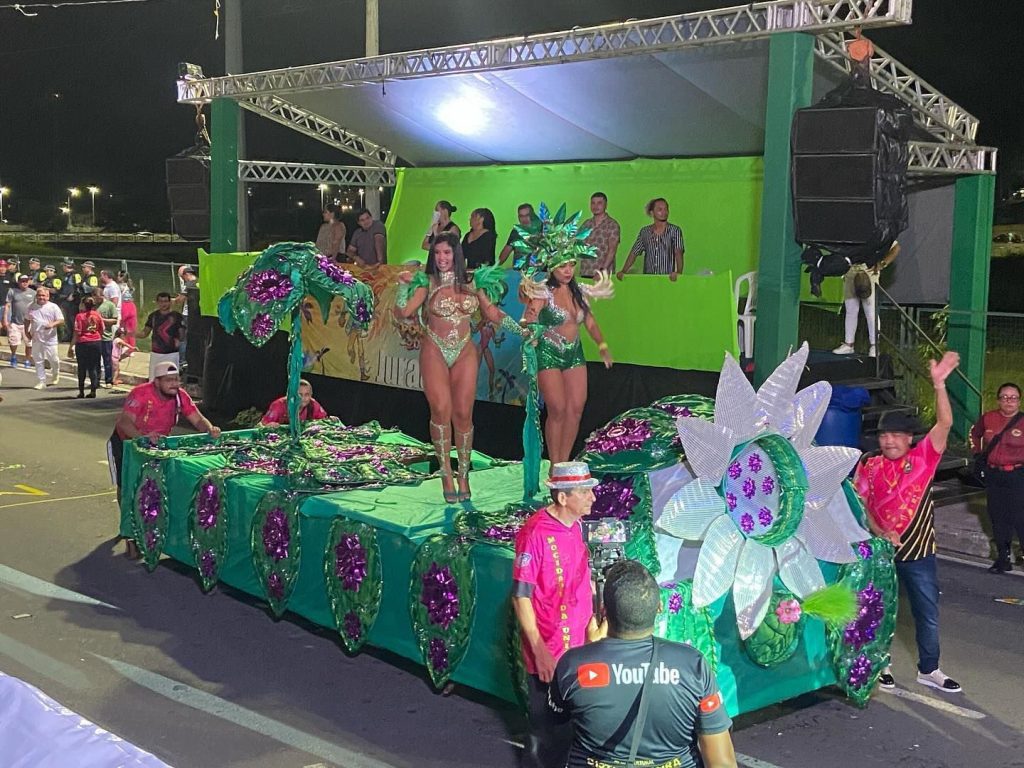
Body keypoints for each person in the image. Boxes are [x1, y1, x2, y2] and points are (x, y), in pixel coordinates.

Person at [550, 559, 737, 768]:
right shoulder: (693, 665)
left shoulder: (572, 665)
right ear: (659, 607)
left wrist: (590, 651)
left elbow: (553, 735)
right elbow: (722, 763)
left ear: (603, 610)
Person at [854, 350, 963, 693]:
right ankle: (881, 665)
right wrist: (879, 531)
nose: (889, 440)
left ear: (909, 438)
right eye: (884, 435)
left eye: (896, 434)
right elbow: (860, 504)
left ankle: (929, 669)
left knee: (927, 613)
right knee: (879, 610)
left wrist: (939, 385)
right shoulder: (869, 464)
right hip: (881, 551)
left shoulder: (923, 459)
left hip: (920, 553)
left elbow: (944, 424)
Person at [393, 231, 523, 502]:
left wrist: (523, 331)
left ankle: (463, 474)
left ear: (456, 255)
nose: (442, 258)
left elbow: (492, 313)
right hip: (435, 350)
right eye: (437, 253)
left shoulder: (472, 283)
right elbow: (403, 312)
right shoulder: (427, 282)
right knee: (441, 410)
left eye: (447, 252)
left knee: (463, 414)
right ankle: (445, 474)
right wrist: (403, 288)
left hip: (464, 350)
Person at [513, 462, 599, 768]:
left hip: (579, 647)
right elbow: (521, 596)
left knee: (575, 726)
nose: (592, 497)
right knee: (545, 731)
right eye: (584, 492)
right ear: (563, 497)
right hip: (549, 650)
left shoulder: (577, 525)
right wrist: (540, 651)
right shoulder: (534, 533)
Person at [110, 360, 221, 558]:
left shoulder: (180, 396)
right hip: (128, 443)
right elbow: (125, 423)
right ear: (157, 382)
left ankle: (150, 527)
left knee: (155, 485)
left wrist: (210, 429)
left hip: (157, 445)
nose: (175, 384)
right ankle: (129, 530)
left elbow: (197, 419)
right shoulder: (140, 394)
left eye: (177, 379)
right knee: (127, 487)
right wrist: (142, 438)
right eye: (169, 380)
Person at [521, 258, 613, 466]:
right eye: (563, 266)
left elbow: (590, 322)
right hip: (548, 353)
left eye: (571, 265)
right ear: (552, 267)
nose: (568, 270)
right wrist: (530, 328)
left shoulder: (579, 292)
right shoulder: (544, 292)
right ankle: (555, 464)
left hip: (574, 353)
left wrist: (602, 345)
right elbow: (530, 318)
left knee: (576, 408)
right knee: (558, 409)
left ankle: (564, 462)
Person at [970, 382, 1024, 573]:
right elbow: (974, 435)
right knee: (997, 516)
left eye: (1013, 397)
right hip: (994, 474)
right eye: (1004, 397)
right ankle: (1003, 558)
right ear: (998, 400)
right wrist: (977, 454)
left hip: (1017, 475)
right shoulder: (988, 418)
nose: (1009, 401)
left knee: (1019, 516)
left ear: (1019, 401)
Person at [833, 241, 899, 358]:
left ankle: (874, 346)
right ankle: (849, 344)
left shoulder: (875, 232)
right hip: (850, 269)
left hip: (868, 270)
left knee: (870, 311)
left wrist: (882, 264)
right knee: (851, 310)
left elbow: (896, 247)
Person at [617, 198, 684, 281]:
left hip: (667, 279)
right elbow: (634, 252)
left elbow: (678, 252)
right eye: (660, 209)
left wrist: (679, 272)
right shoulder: (645, 232)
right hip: (648, 280)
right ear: (652, 213)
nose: (664, 212)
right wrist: (624, 271)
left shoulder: (675, 230)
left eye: (666, 209)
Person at [24, 286, 64, 390]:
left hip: (50, 338)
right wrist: (26, 331)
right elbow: (27, 319)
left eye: (44, 295)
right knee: (38, 360)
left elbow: (61, 320)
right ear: (36, 296)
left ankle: (55, 372)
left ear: (48, 296)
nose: (41, 297)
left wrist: (52, 324)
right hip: (36, 337)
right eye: (39, 295)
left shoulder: (53, 307)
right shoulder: (31, 306)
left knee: (53, 359)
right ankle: (41, 381)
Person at [138, 292, 184, 380]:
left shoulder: (177, 316)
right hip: (156, 353)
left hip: (172, 354)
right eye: (161, 301)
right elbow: (144, 333)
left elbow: (182, 335)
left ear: (170, 302)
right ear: (157, 302)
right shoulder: (153, 316)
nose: (163, 304)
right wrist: (131, 333)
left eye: (166, 301)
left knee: (171, 379)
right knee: (154, 379)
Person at [67, 296, 104, 398]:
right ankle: (93, 390)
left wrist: (71, 346)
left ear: (83, 305)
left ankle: (81, 391)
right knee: (93, 367)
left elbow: (77, 332)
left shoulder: (79, 316)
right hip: (96, 342)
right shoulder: (97, 315)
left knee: (82, 367)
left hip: (83, 343)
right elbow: (102, 329)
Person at [580, 192, 620, 278]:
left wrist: (602, 271)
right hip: (586, 271)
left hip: (603, 274)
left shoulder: (612, 225)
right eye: (593, 203)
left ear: (606, 205)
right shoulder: (586, 224)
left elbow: (612, 251)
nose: (595, 206)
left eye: (599, 203)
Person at [261, 379, 329, 427]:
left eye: (307, 394)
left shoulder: (313, 405)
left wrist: (331, 421)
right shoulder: (278, 405)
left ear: (311, 395)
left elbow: (325, 421)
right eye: (299, 394)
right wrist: (268, 426)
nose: (303, 398)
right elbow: (261, 425)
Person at [4, 273, 35, 369]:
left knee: (29, 343)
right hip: (15, 322)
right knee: (13, 342)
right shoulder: (12, 291)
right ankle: (13, 356)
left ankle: (27, 359)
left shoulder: (33, 293)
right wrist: (5, 319)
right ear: (19, 282)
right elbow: (7, 306)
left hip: (28, 322)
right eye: (22, 281)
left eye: (26, 281)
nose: (24, 283)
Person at [92, 287, 118, 388]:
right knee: (95, 361)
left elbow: (114, 320)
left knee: (107, 360)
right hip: (94, 337)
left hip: (105, 337)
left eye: (99, 297)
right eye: (95, 298)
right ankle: (96, 380)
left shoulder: (109, 305)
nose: (97, 300)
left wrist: (101, 320)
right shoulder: (92, 306)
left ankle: (108, 380)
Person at [57, 259, 83, 343]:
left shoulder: (76, 275)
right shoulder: (65, 275)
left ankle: (74, 337)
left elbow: (79, 287)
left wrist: (73, 295)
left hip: (73, 301)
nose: (63, 267)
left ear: (67, 266)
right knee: (67, 319)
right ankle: (68, 335)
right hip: (65, 299)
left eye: (64, 266)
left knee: (73, 319)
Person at [116, 270, 138, 346]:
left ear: (122, 277)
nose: (117, 277)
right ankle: (131, 345)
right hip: (131, 306)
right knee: (131, 328)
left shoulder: (119, 286)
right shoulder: (130, 286)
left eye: (118, 275)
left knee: (121, 326)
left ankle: (122, 344)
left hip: (124, 306)